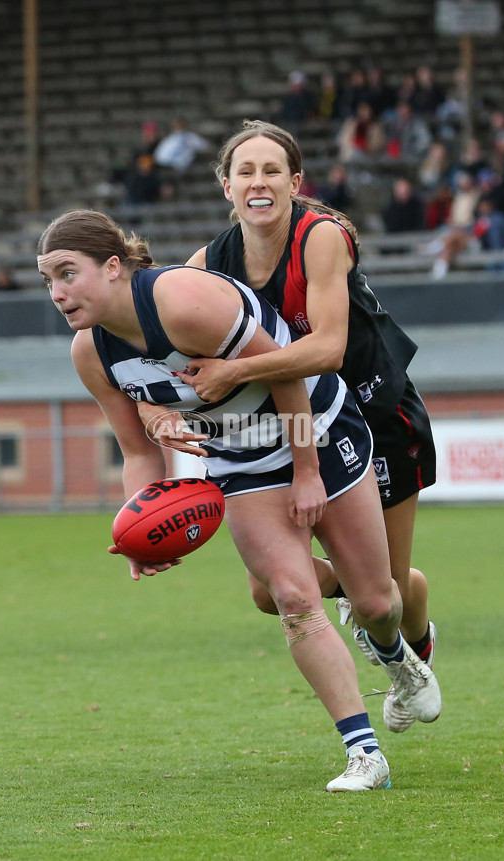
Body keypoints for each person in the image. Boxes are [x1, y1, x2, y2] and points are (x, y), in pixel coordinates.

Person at [37, 209, 441, 791]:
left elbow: (287, 374)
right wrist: (137, 530)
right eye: (48, 279)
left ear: (113, 267)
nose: (57, 292)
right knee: (291, 596)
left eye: (67, 274)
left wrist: (307, 472)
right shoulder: (90, 353)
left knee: (379, 602)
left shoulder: (181, 300)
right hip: (240, 459)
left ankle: (399, 657)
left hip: (317, 430)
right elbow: (138, 452)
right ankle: (364, 755)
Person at [138, 120, 440, 735]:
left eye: (271, 170)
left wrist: (232, 370)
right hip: (292, 430)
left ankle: (415, 635)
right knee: (265, 594)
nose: (258, 181)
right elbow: (152, 340)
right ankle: (379, 590)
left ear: (295, 182)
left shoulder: (322, 237)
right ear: (226, 186)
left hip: (376, 417)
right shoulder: (209, 261)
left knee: (382, 600)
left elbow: (328, 350)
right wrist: (151, 410)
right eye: (244, 172)